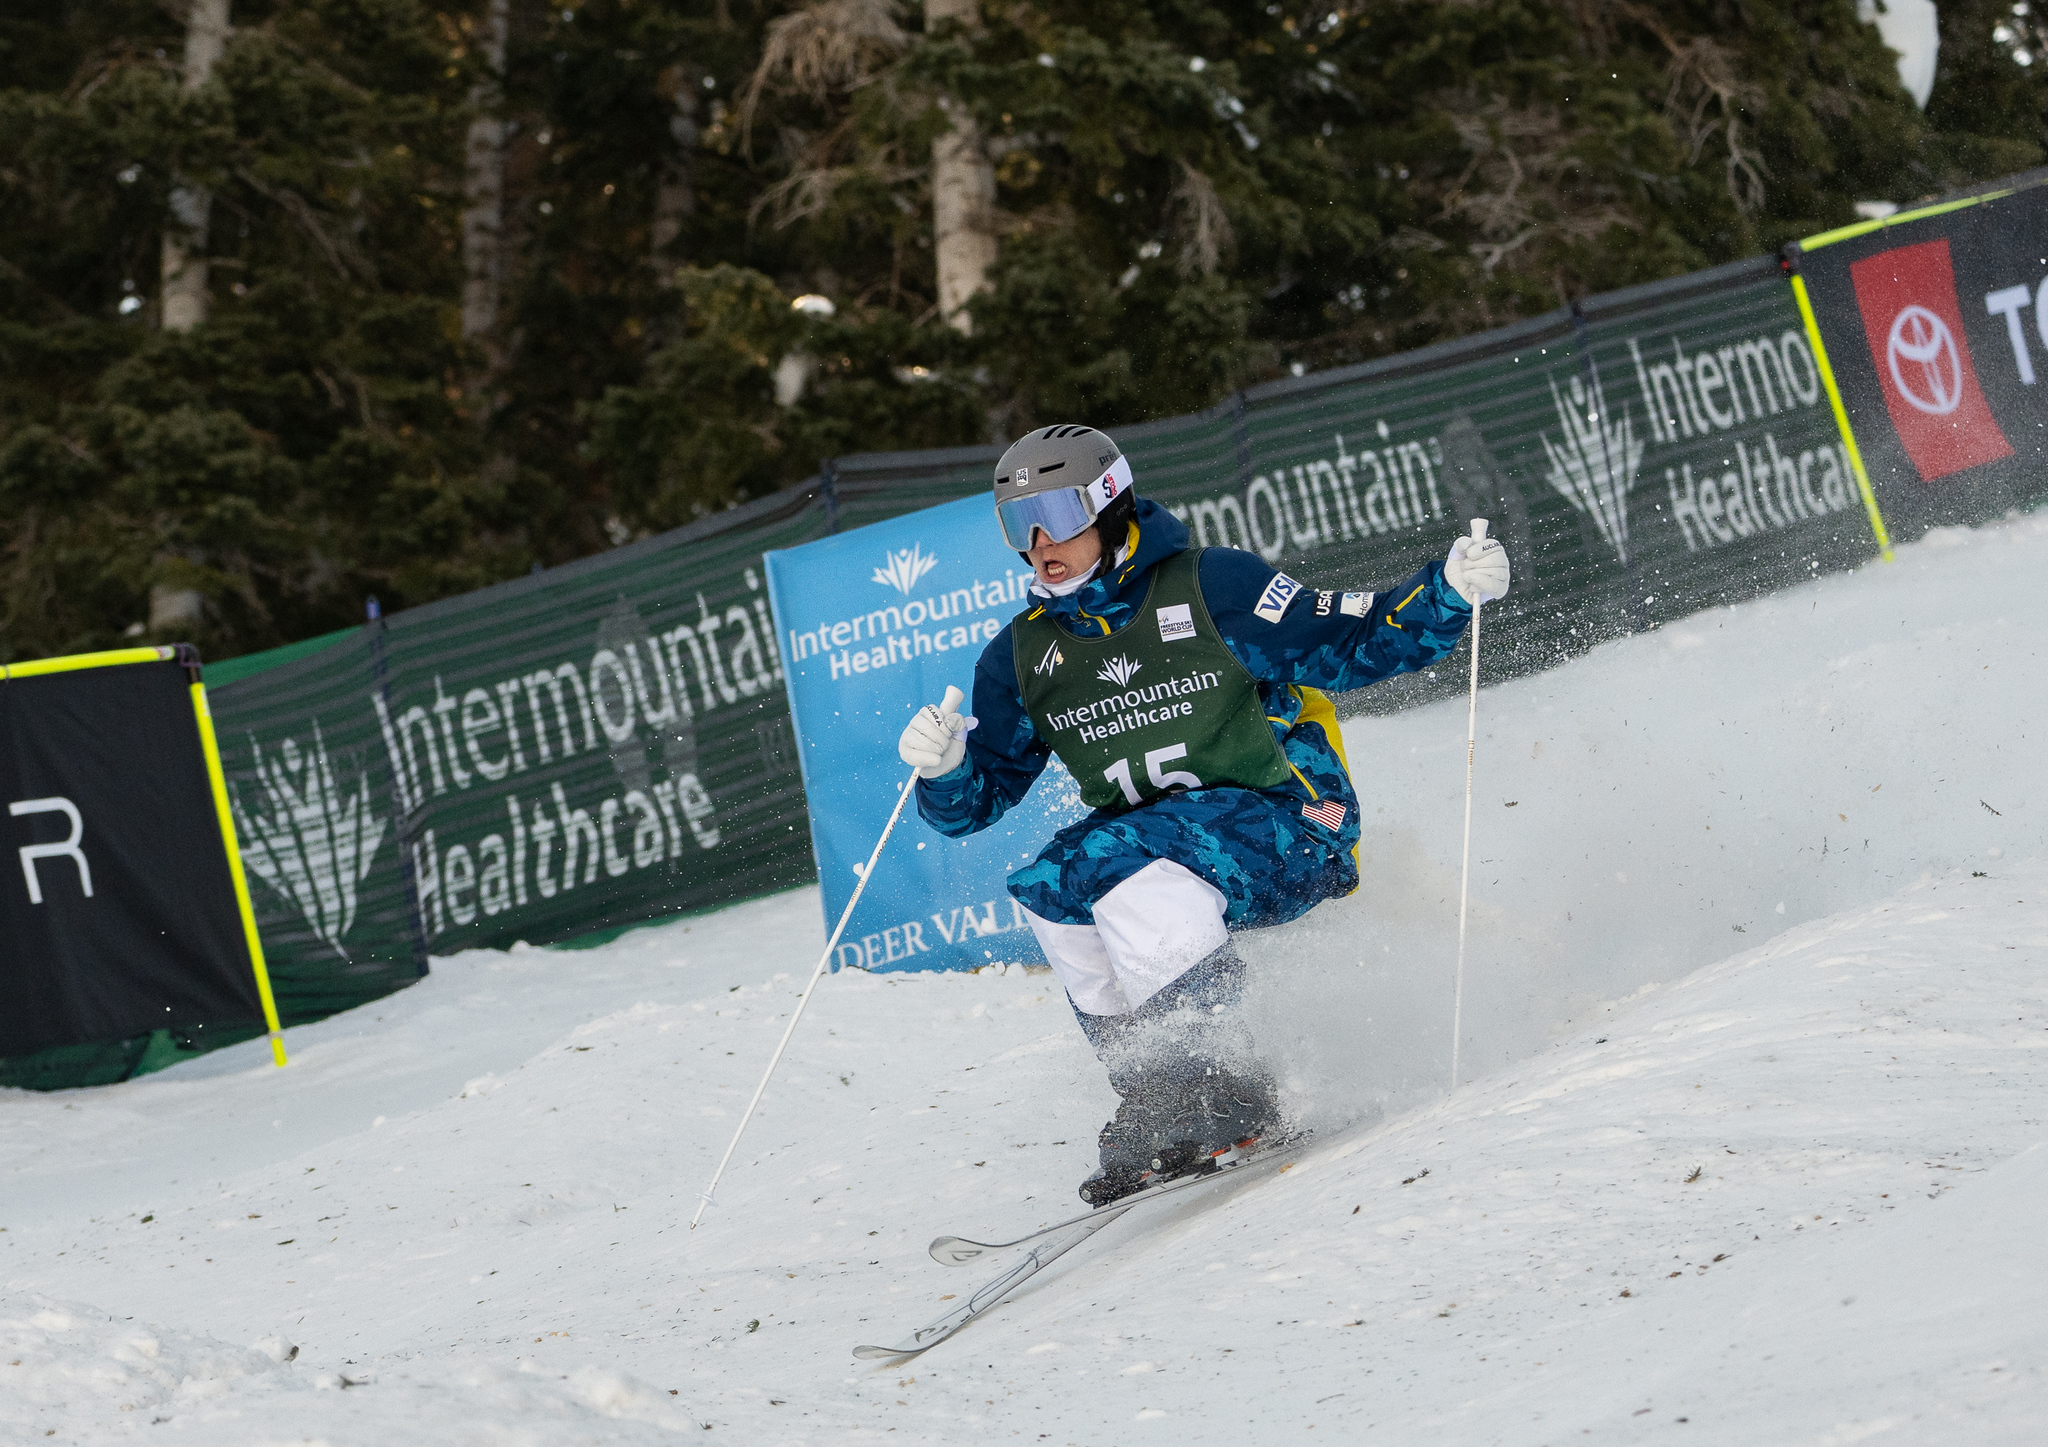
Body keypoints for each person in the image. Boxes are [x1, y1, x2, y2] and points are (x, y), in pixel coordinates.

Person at [896, 424, 1509, 1205]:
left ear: (1110, 505)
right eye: (1021, 524)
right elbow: (976, 803)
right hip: (1160, 852)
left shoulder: (1209, 585)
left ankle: (1223, 1081)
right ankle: (1158, 1089)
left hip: (1294, 824)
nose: (1041, 541)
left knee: (1126, 852)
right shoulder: (1024, 656)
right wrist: (946, 772)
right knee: (1049, 882)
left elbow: (1348, 641)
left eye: (1057, 512)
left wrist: (1446, 591)